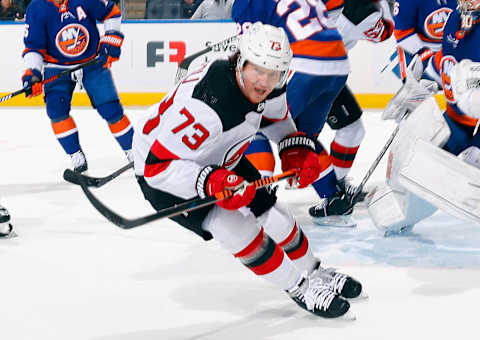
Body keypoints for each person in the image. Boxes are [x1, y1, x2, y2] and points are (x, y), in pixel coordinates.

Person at [132, 22, 363, 318]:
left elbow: (276, 119)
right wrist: (213, 181)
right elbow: (157, 169)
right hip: (169, 171)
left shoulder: (269, 82)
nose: (264, 82)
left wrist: (292, 148)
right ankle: (299, 288)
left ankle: (314, 272)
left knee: (273, 210)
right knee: (233, 227)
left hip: (220, 151)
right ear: (241, 62)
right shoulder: (208, 108)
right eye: (258, 70)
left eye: (274, 73)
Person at [233, 0, 393, 227]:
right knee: (300, 137)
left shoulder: (245, 4)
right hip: (338, 65)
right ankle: (334, 200)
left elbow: (254, 56)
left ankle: (259, 198)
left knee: (254, 123)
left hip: (305, 65)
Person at [367, 0, 480, 236]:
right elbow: (446, 60)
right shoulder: (454, 19)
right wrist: (424, 80)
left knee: (470, 174)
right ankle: (402, 218)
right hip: (457, 123)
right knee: (418, 165)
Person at [21, 0, 133, 173]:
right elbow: (34, 46)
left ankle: (134, 151)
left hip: (92, 63)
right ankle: (75, 154)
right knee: (56, 111)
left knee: (111, 110)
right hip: (56, 67)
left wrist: (111, 38)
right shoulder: (36, 8)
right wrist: (33, 73)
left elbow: (111, 12)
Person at [390, 0, 457, 81]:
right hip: (421, 51)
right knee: (414, 83)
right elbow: (402, 34)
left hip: (454, 47)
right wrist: (426, 55)